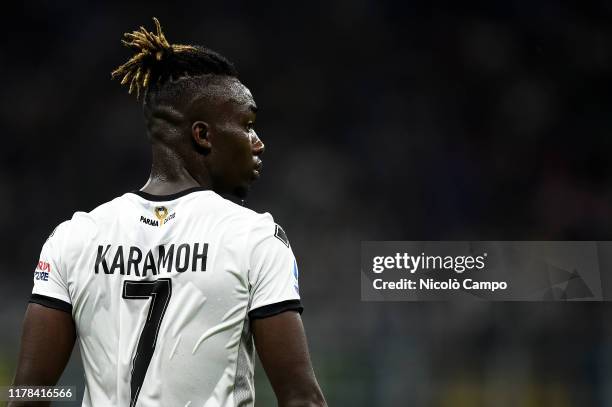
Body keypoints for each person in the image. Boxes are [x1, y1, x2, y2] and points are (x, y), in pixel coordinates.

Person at [11, 17, 327, 407]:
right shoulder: (254, 238)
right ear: (203, 135)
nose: (258, 143)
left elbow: (27, 394)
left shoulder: (74, 237)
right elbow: (301, 398)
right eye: (247, 125)